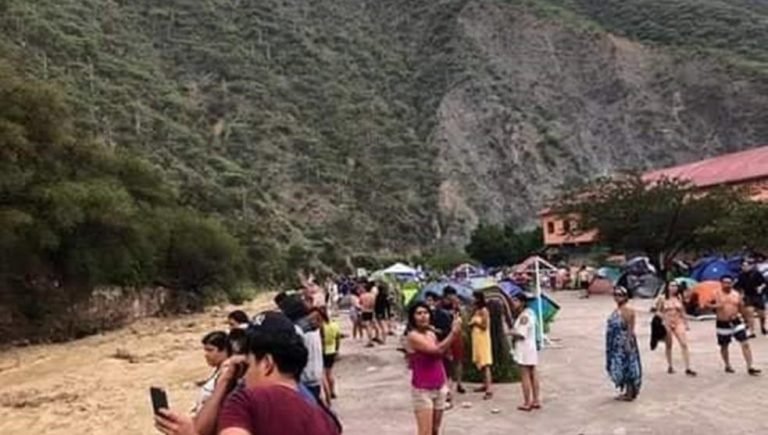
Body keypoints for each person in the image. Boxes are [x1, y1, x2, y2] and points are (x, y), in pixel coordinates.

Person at [155, 311, 341, 435]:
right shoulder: (323, 414)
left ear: (267, 364)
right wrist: (224, 382)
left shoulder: (246, 402)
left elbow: (200, 428)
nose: (244, 375)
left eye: (248, 364)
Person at [406, 302, 462, 435]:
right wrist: (453, 333)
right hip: (422, 390)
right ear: (412, 317)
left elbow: (440, 358)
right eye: (419, 313)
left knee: (435, 430)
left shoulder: (432, 334)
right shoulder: (413, 336)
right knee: (425, 432)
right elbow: (437, 350)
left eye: (425, 313)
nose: (423, 316)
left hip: (439, 387)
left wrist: (446, 385)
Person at [711, 275, 761, 375]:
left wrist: (746, 320)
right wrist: (716, 306)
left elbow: (741, 307)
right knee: (724, 345)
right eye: (725, 282)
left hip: (735, 321)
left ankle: (750, 366)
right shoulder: (715, 294)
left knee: (745, 343)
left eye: (729, 282)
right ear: (721, 283)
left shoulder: (736, 294)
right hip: (722, 322)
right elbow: (705, 305)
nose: (727, 284)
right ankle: (727, 365)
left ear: (732, 283)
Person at [606, 287, 642, 401]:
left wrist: (627, 343)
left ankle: (630, 393)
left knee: (628, 367)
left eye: (620, 295)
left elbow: (631, 329)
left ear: (626, 296)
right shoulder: (617, 310)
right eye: (615, 295)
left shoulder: (628, 310)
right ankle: (627, 392)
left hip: (623, 342)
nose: (617, 297)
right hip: (615, 343)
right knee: (621, 367)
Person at [656, 281, 696, 376]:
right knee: (669, 345)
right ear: (668, 287)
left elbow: (682, 311)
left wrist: (686, 323)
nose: (674, 288)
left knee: (684, 343)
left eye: (675, 286)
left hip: (678, 321)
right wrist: (662, 320)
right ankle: (670, 365)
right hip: (667, 322)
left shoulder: (679, 297)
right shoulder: (662, 298)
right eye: (672, 286)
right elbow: (658, 311)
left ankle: (688, 367)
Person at [508, 292, 540, 411]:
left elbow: (521, 334)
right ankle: (536, 400)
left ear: (522, 302)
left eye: (516, 301)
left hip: (524, 348)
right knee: (533, 373)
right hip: (530, 347)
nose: (514, 303)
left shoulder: (524, 317)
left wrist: (510, 332)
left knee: (525, 375)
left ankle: (527, 402)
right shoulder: (530, 313)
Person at [193, 332, 232, 415]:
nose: (206, 355)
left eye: (210, 350)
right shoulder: (219, 369)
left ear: (224, 351)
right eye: (205, 350)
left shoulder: (227, 371)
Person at [469, 291, 493, 400]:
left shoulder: (484, 310)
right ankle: (484, 384)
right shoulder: (476, 311)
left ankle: (489, 389)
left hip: (483, 339)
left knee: (485, 363)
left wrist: (475, 323)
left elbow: (485, 326)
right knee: (480, 362)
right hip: (477, 338)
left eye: (474, 298)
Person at [442, 287, 466, 395]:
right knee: (447, 361)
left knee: (459, 360)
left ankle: (459, 383)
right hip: (446, 335)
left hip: (457, 335)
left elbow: (461, 319)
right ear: (447, 295)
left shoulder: (457, 307)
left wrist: (458, 308)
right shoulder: (441, 307)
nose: (454, 298)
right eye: (452, 295)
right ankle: (447, 385)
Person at [735, 259, 767, 337]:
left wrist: (760, 288)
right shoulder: (741, 275)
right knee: (749, 313)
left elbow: (764, 283)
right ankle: (752, 331)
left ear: (751, 266)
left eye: (746, 265)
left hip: (757, 295)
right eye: (743, 266)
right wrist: (741, 294)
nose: (744, 267)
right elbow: (738, 286)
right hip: (748, 296)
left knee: (762, 314)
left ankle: (763, 326)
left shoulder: (757, 274)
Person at [320, 308, 341, 401]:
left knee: (323, 375)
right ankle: (332, 391)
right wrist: (337, 350)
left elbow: (321, 341)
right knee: (330, 373)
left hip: (323, 351)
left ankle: (327, 393)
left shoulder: (321, 327)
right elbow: (338, 339)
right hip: (332, 350)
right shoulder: (334, 325)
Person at [359, 281, 379, 347]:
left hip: (365, 311)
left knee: (368, 327)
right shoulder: (372, 296)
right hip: (371, 311)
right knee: (371, 325)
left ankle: (369, 341)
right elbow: (374, 304)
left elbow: (360, 303)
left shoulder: (362, 295)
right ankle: (373, 338)